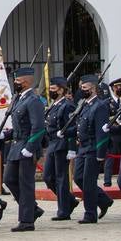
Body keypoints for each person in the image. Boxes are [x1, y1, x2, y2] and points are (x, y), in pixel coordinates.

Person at [0, 66, 45, 232]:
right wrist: (6, 135)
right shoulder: (19, 98)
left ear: (25, 82)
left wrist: (31, 147)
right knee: (9, 179)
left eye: (17, 81)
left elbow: (38, 127)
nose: (15, 83)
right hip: (16, 146)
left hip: (27, 147)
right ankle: (33, 209)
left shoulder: (33, 100)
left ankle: (27, 220)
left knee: (25, 184)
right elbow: (19, 126)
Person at [73, 74, 114, 224]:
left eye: (85, 88)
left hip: (93, 148)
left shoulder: (100, 105)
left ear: (93, 88)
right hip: (83, 147)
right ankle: (103, 200)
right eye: (81, 87)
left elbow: (101, 131)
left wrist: (100, 153)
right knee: (78, 177)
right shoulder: (85, 104)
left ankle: (90, 213)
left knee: (89, 181)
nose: (82, 90)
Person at [43, 76, 78, 221]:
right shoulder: (54, 104)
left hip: (62, 145)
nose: (51, 91)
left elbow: (71, 128)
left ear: (62, 90)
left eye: (53, 89)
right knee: (48, 177)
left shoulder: (67, 105)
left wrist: (71, 148)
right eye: (50, 89)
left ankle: (64, 210)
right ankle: (70, 201)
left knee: (61, 178)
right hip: (52, 144)